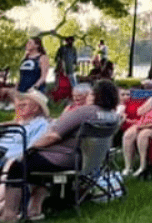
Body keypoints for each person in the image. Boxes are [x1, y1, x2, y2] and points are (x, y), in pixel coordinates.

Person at [0, 79, 120, 222]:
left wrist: (29, 149)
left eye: (90, 93)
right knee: (32, 164)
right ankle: (34, 210)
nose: (88, 96)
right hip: (89, 162)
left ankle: (9, 215)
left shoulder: (85, 111)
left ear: (95, 95)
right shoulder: (112, 116)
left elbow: (53, 136)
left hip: (64, 158)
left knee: (17, 167)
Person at [0, 90, 50, 165]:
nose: (20, 107)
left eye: (24, 105)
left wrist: (15, 157)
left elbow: (33, 146)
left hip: (9, 155)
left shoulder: (41, 124)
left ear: (35, 108)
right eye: (19, 105)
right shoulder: (20, 123)